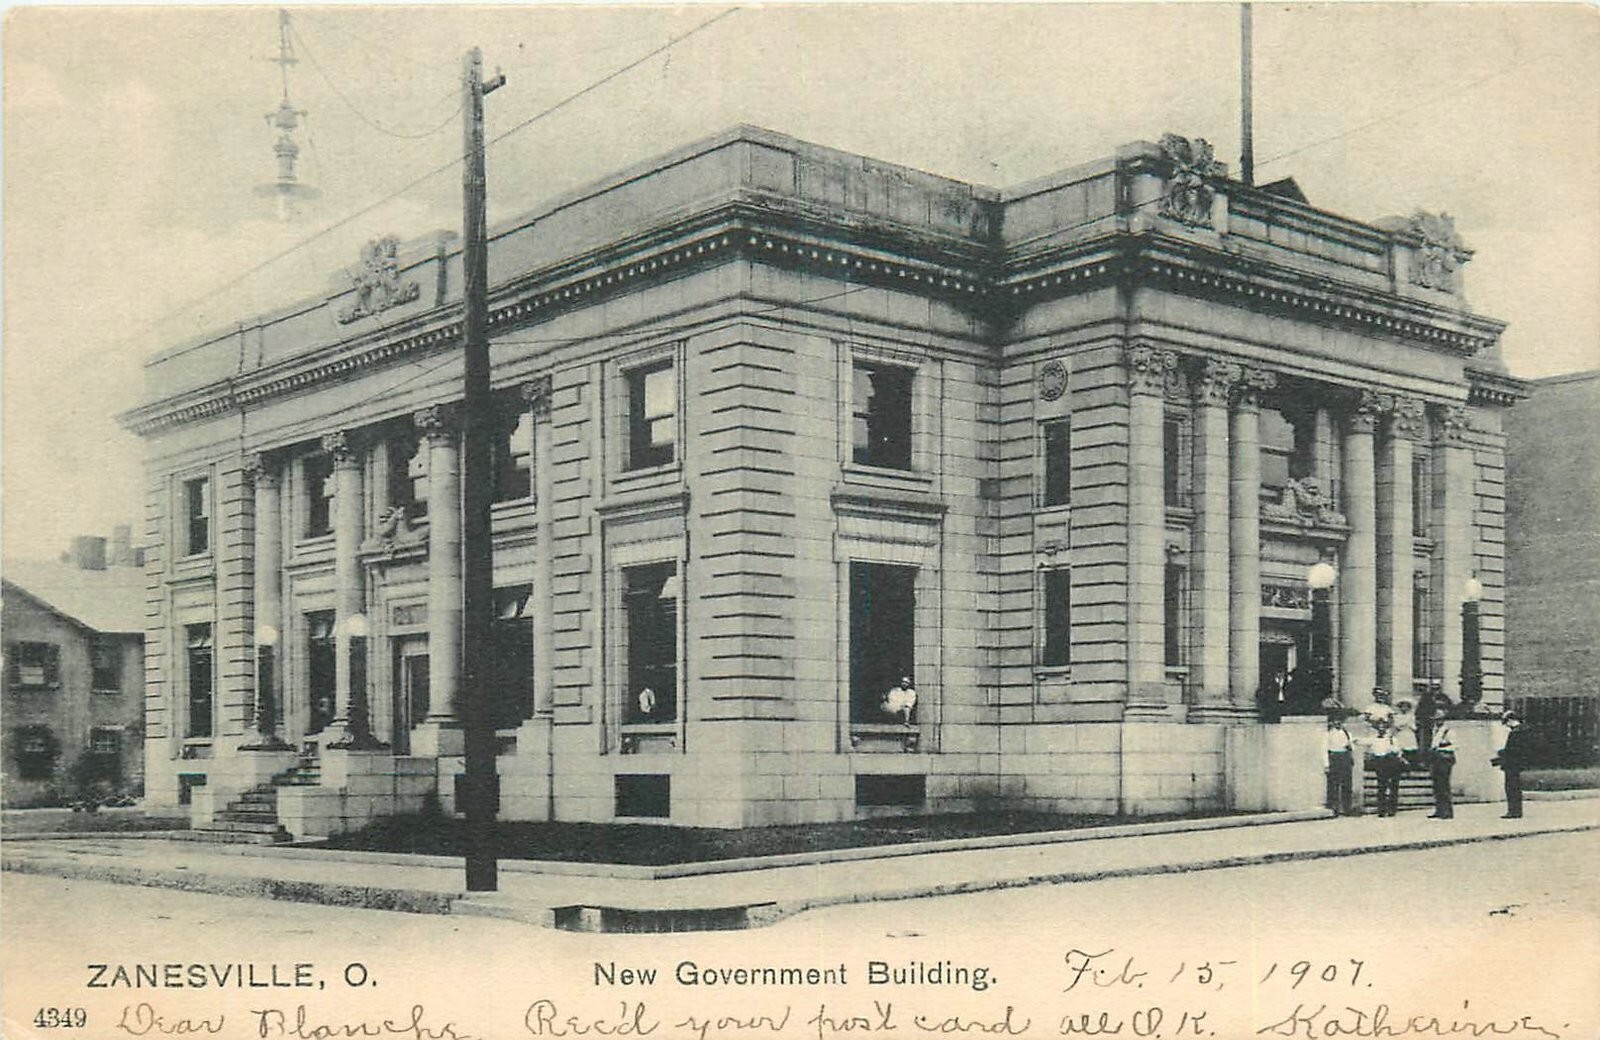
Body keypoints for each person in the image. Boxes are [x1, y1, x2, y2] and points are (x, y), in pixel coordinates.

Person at [1494, 710, 1533, 818]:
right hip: (1519, 763)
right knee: (1516, 787)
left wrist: (1501, 752)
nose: (1506, 725)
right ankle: (1517, 811)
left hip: (1512, 764)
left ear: (1511, 720)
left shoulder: (1515, 732)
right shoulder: (1525, 730)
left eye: (1506, 722)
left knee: (1511, 787)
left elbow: (1512, 749)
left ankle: (1513, 811)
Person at [1366, 718, 1405, 818]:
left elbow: (1398, 751)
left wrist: (1392, 750)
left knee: (1393, 786)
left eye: (1383, 727)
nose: (1381, 729)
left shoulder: (1392, 739)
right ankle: (1382, 809)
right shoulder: (1374, 739)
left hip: (1392, 763)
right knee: (1381, 786)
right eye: (1379, 727)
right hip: (1381, 763)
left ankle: (1392, 809)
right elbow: (1365, 744)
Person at [1427, 704, 1455, 819]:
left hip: (1445, 759)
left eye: (1440, 719)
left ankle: (1447, 811)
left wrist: (1441, 749)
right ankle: (1439, 810)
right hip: (1436, 759)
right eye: (1436, 719)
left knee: (1444, 785)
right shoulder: (1435, 730)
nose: (1437, 721)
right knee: (1437, 785)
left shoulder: (1448, 730)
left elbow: (1455, 746)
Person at [1325, 716, 1355, 816]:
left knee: (1347, 784)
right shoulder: (1328, 734)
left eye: (1340, 721)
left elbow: (1352, 746)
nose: (1338, 723)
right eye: (1336, 721)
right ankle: (1334, 807)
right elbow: (1324, 750)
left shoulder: (1347, 733)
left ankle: (1347, 808)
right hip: (1334, 757)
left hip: (1345, 757)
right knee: (1334, 784)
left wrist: (1350, 747)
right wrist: (1326, 764)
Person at [1392, 699, 1420, 769]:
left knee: (1410, 749)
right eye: (1402, 707)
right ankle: (1401, 766)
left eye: (1406, 707)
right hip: (1401, 734)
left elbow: (1414, 727)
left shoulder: (1411, 716)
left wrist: (1408, 724)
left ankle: (1412, 765)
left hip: (1409, 734)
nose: (1404, 708)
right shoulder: (1397, 716)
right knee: (1400, 749)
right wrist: (1402, 725)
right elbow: (1396, 726)